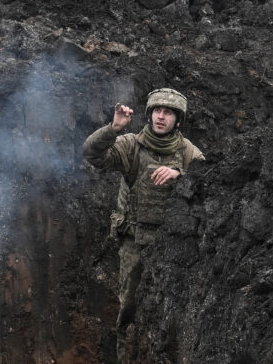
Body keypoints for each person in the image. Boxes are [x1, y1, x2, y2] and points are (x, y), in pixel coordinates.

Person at [82, 88, 204, 363]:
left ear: (178, 120)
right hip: (134, 243)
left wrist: (181, 174)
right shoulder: (131, 145)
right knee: (129, 309)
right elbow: (91, 154)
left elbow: (212, 179)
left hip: (173, 249)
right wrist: (112, 129)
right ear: (149, 115)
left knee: (170, 315)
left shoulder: (187, 152)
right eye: (157, 111)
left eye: (168, 112)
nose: (161, 117)